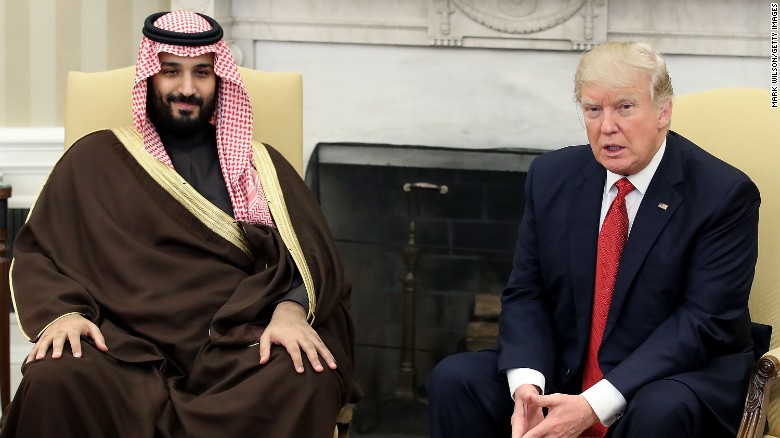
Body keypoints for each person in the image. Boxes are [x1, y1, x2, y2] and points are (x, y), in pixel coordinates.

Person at [1, 10, 360, 437]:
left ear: (218, 79)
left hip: (233, 349)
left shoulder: (258, 166)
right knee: (57, 376)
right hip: (123, 348)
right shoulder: (94, 159)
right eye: (171, 71)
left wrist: (289, 310)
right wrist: (63, 314)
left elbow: (314, 259)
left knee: (306, 376)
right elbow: (40, 251)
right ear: (150, 76)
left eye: (201, 73)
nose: (187, 88)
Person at [428, 41, 763, 437]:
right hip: (569, 368)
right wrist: (527, 388)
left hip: (673, 376)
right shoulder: (551, 177)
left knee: (660, 408)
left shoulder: (723, 194)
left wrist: (594, 403)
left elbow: (703, 323)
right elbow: (527, 292)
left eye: (624, 107)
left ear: (663, 111)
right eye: (592, 109)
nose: (607, 127)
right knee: (456, 379)